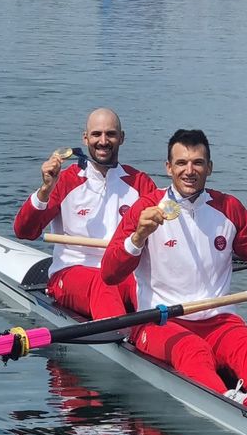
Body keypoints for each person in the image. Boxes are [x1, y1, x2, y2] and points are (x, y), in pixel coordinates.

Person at [101, 128, 247, 399]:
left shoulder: (229, 208)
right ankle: (228, 400)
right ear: (168, 168)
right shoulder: (146, 209)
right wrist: (138, 237)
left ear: (209, 167)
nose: (189, 171)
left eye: (197, 163)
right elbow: (109, 274)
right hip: (160, 321)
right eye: (181, 163)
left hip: (218, 319)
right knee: (193, 352)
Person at [14, 108, 158, 320]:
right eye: (96, 134)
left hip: (123, 272)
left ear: (122, 138)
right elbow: (24, 231)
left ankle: (157, 337)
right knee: (103, 282)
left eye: (110, 134)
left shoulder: (140, 182)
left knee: (154, 285)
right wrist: (45, 190)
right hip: (72, 272)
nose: (103, 141)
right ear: (85, 138)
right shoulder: (65, 180)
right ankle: (121, 339)